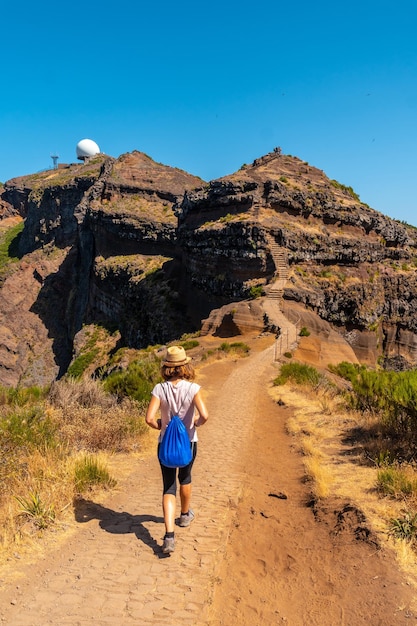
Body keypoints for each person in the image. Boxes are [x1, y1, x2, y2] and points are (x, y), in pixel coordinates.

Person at [145, 345, 209, 554]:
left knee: (168, 487)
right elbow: (205, 415)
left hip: (165, 443)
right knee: (186, 477)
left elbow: (148, 418)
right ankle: (184, 515)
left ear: (167, 367)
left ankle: (169, 536)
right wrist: (195, 425)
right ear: (185, 366)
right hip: (189, 442)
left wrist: (162, 428)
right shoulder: (193, 389)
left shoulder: (159, 389)